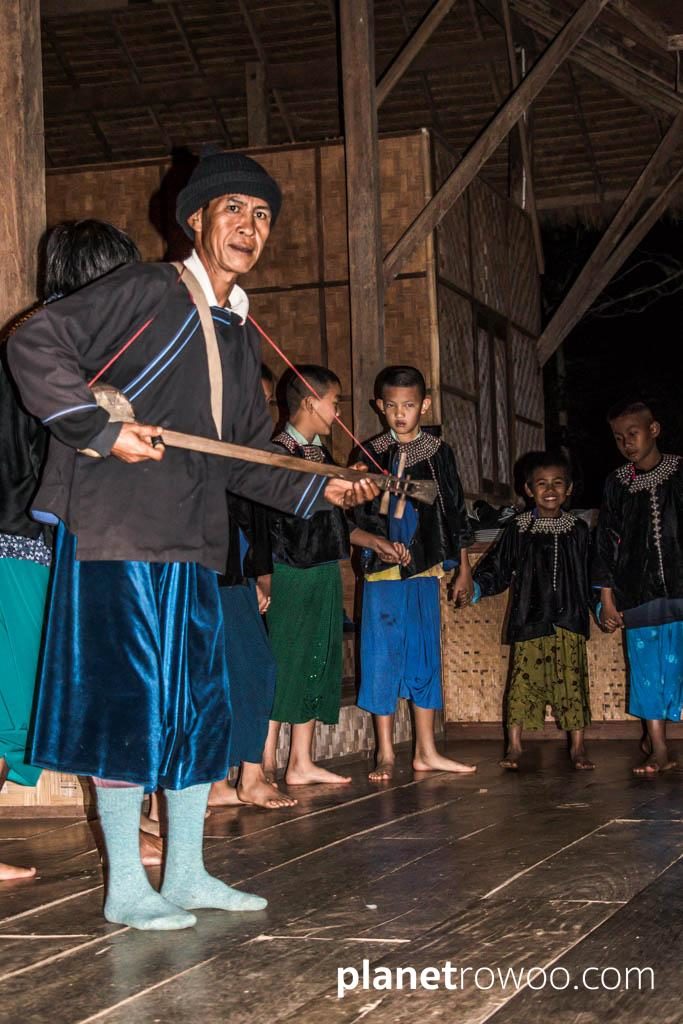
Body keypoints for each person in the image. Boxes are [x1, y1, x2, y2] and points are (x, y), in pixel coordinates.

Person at [7, 148, 378, 929]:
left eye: (263, 216)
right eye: (234, 210)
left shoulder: (236, 334)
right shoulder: (146, 288)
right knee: (127, 711)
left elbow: (250, 456)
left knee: (193, 709)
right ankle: (124, 888)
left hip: (193, 545)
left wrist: (326, 486)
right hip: (118, 538)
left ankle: (185, 873)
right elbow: (34, 341)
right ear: (197, 220)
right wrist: (99, 431)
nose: (249, 226)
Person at [0, 219, 143, 882]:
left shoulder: (38, 336)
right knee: (20, 698)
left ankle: (125, 827)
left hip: (36, 539)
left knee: (51, 692)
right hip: (22, 541)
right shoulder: (52, 346)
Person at [262, 364, 401, 787]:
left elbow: (334, 524)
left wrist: (370, 539)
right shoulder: (277, 453)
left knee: (315, 663)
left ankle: (300, 761)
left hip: (322, 570)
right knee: (285, 662)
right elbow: (277, 518)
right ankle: (264, 760)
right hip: (289, 571)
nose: (337, 411)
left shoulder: (321, 455)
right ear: (310, 402)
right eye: (334, 402)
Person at [351, 365, 477, 781]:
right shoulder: (367, 453)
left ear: (424, 405)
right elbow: (354, 516)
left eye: (408, 405)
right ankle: (385, 752)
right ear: (379, 406)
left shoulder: (441, 453)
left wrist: (463, 568)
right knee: (381, 657)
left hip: (425, 570)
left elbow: (456, 513)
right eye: (392, 406)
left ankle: (426, 750)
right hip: (382, 572)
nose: (400, 414)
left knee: (424, 657)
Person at [473, 452, 595, 771]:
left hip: (569, 621)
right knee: (522, 685)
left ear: (569, 489)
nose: (550, 489)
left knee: (572, 683)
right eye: (542, 484)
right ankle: (514, 745)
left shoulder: (578, 530)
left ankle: (578, 747)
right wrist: (474, 587)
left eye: (557, 483)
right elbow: (497, 568)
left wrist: (601, 603)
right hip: (530, 622)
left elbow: (593, 573)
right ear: (529, 490)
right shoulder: (519, 529)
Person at [209, 367, 297, 810]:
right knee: (241, 669)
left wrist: (260, 574)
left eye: (264, 400)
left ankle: (238, 776)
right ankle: (238, 777)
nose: (258, 409)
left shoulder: (249, 450)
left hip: (237, 575)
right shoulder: (207, 440)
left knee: (251, 668)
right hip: (209, 573)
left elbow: (256, 522)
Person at [593, 399, 683, 774]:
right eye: (619, 438)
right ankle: (659, 748)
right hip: (638, 594)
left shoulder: (681, 472)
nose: (627, 443)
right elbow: (605, 541)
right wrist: (606, 597)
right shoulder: (617, 484)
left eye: (633, 433)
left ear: (654, 430)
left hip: (681, 588)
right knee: (646, 670)